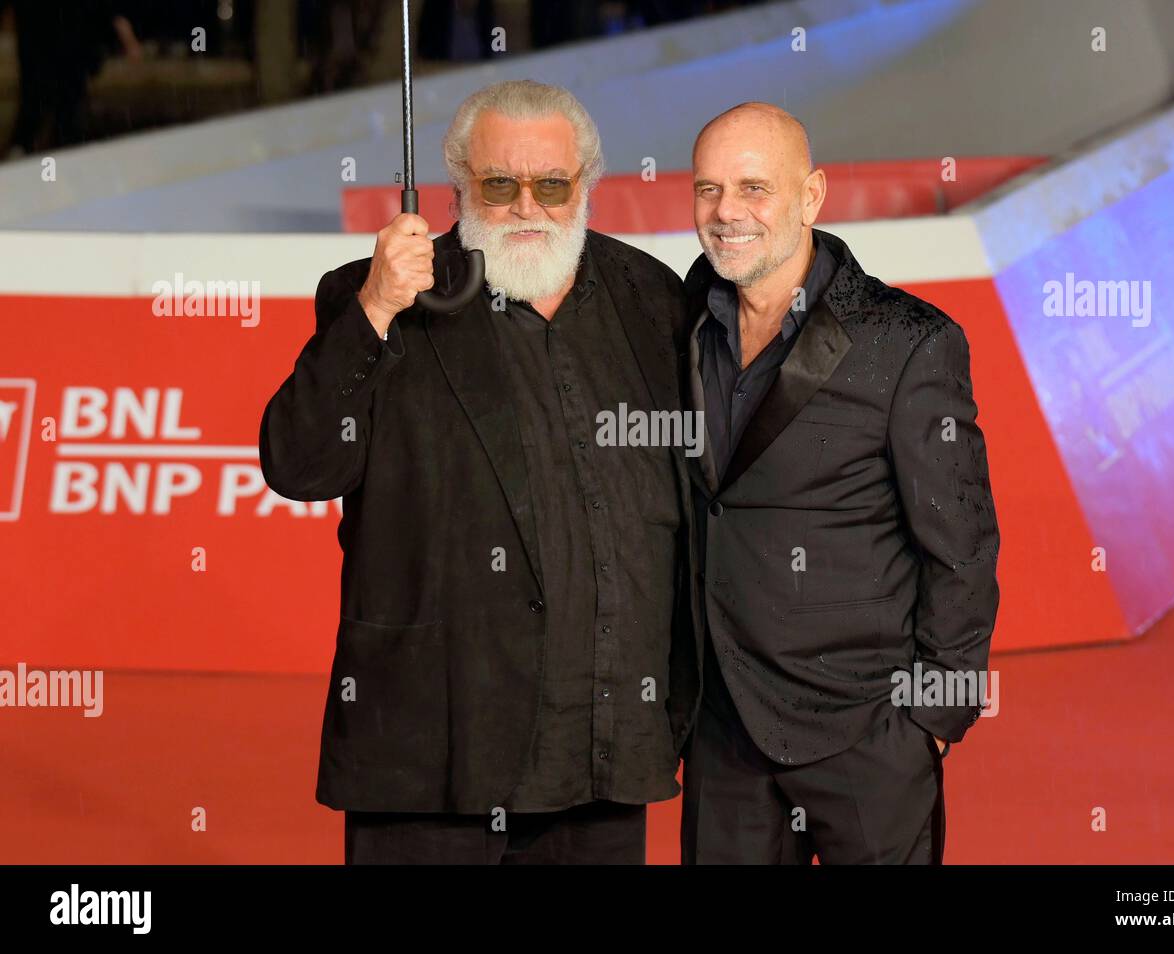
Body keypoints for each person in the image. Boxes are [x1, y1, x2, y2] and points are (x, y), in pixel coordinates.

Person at [259, 79, 701, 864]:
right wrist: (373, 311)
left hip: (602, 750)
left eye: (552, 185)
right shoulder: (384, 297)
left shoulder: (652, 299)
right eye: (500, 184)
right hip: (432, 758)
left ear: (586, 184)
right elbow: (298, 464)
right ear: (459, 182)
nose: (527, 206)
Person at [678, 103, 1000, 864]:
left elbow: (963, 547)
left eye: (754, 188)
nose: (727, 213)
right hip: (723, 730)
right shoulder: (685, 317)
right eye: (708, 189)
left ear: (812, 195)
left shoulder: (908, 342)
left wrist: (930, 721)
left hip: (868, 734)